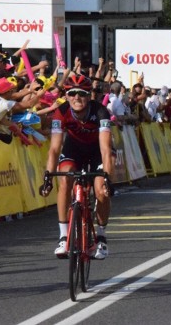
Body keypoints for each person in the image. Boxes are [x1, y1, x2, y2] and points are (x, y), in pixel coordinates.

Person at [41, 74, 114, 259]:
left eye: (81, 93)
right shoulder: (60, 112)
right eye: (72, 93)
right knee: (65, 179)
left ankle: (102, 236)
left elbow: (106, 149)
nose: (76, 98)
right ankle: (63, 236)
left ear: (89, 95)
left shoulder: (101, 112)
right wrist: (48, 176)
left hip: (97, 150)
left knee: (100, 191)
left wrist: (108, 178)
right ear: (66, 95)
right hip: (73, 150)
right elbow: (54, 149)